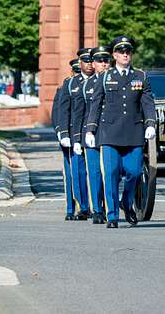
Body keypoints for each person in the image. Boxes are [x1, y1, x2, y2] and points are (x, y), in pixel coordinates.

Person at [84, 36, 156, 228]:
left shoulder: (141, 76)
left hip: (133, 132)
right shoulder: (105, 77)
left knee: (134, 172)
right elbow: (96, 105)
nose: (125, 54)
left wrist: (151, 124)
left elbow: (147, 102)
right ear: (114, 55)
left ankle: (127, 201)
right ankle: (113, 214)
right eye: (121, 52)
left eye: (128, 51)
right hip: (109, 133)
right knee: (111, 173)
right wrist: (91, 130)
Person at [82, 45, 111, 224]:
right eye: (99, 61)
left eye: (106, 60)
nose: (103, 64)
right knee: (94, 173)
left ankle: (110, 209)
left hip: (110, 133)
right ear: (93, 63)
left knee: (109, 172)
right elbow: (81, 113)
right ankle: (97, 210)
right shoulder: (87, 85)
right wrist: (81, 136)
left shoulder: (116, 80)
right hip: (92, 133)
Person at [52, 59, 80, 220]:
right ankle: (70, 208)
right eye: (75, 71)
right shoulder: (63, 89)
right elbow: (57, 114)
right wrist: (61, 134)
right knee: (70, 174)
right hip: (69, 135)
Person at [67, 48, 94, 221]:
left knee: (96, 172)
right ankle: (82, 206)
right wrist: (65, 134)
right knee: (78, 173)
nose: (90, 64)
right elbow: (64, 112)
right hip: (76, 133)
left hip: (96, 132)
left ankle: (96, 206)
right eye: (86, 61)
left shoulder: (102, 81)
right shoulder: (71, 84)